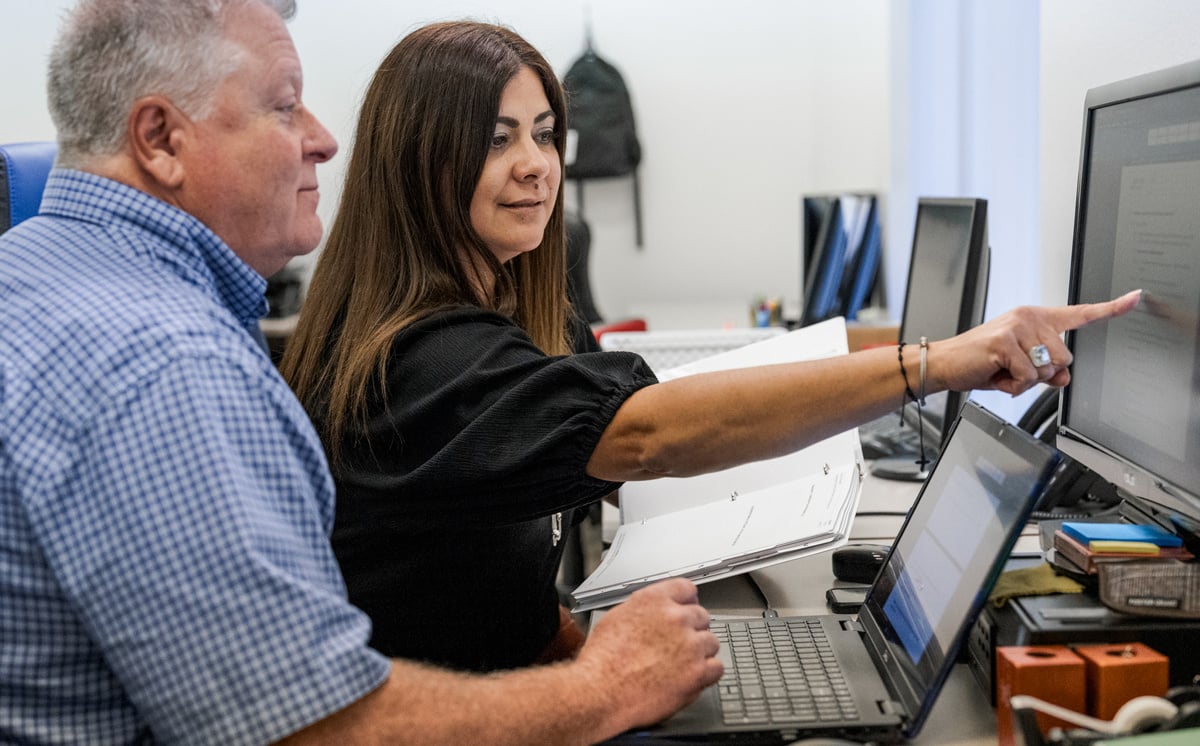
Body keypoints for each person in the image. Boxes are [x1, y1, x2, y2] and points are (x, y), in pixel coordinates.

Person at [278, 19, 1141, 675]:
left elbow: (492, 591)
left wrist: (583, 655)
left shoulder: (517, 321)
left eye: (544, 133)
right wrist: (931, 364)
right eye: (497, 139)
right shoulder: (417, 363)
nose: (536, 163)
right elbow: (649, 433)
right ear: (417, 161)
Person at [0, 2, 724, 744]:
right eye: (285, 107)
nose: (323, 139)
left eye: (544, 135)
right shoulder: (165, 365)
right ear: (159, 139)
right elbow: (302, 726)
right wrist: (606, 684)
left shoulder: (32, 275)